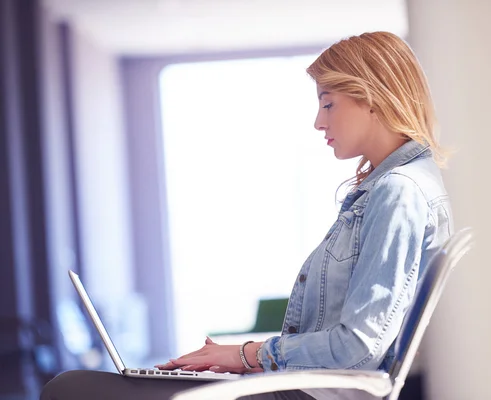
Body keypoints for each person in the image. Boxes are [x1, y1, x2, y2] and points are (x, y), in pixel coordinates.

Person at [41, 31, 453, 400]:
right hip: (308, 385)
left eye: (329, 104)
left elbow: (360, 345)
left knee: (71, 388)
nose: (318, 122)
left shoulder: (399, 191)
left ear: (373, 98)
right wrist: (242, 357)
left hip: (314, 393)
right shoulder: (401, 186)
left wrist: (245, 355)